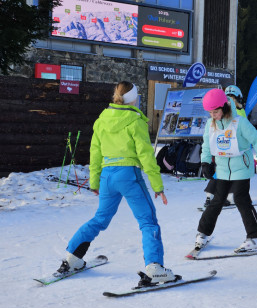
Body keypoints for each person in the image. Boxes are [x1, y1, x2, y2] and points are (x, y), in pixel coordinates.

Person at [55, 81, 176, 284]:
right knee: (148, 221)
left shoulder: (102, 119)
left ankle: (73, 258)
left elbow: (95, 153)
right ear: (134, 98)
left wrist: (94, 181)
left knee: (100, 219)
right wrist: (158, 186)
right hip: (128, 175)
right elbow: (146, 156)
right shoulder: (135, 121)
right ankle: (155, 267)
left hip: (107, 177)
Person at [195, 89, 257, 252]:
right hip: (222, 169)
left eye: (215, 111)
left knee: (240, 198)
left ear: (225, 107)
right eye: (210, 112)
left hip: (241, 167)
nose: (213, 115)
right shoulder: (211, 124)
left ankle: (256, 237)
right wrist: (205, 163)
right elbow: (207, 146)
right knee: (217, 200)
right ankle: (203, 233)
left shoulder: (240, 123)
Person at [203, 85, 247, 207]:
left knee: (220, 171)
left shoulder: (221, 110)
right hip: (234, 148)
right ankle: (229, 196)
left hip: (221, 145)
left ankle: (209, 195)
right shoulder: (239, 113)